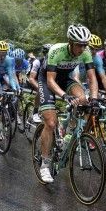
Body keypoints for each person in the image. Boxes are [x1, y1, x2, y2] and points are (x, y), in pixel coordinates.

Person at [38, 24, 99, 183]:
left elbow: (92, 78)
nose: (82, 48)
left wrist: (94, 98)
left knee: (85, 101)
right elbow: (51, 81)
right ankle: (44, 164)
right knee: (50, 123)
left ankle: (69, 132)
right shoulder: (56, 51)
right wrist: (65, 96)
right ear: (70, 42)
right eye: (79, 44)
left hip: (65, 79)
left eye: (85, 44)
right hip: (47, 80)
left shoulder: (85, 52)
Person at [28, 44, 52, 123]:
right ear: (44, 54)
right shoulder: (38, 62)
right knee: (40, 89)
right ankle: (35, 111)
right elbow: (31, 78)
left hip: (48, 80)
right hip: (36, 80)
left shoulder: (56, 61)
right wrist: (40, 87)